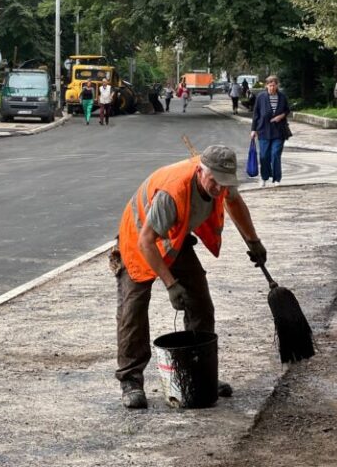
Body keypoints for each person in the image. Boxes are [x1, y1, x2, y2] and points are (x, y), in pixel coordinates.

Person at [114, 145, 267, 409]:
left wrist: (254, 241)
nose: (219, 189)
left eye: (224, 184)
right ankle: (130, 380)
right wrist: (171, 284)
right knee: (134, 308)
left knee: (201, 301)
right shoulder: (172, 193)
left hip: (174, 235)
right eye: (214, 182)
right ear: (200, 171)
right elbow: (147, 242)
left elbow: (234, 202)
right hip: (138, 240)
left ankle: (200, 372)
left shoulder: (221, 179)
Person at [250, 75, 290, 187]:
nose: (272, 88)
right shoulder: (261, 97)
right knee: (264, 156)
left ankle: (277, 179)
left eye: (274, 85)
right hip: (263, 130)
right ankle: (264, 177)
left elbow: (287, 110)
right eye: (270, 85)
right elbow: (256, 114)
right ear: (266, 85)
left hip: (279, 131)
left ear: (277, 85)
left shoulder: (282, 97)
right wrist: (253, 129)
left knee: (275, 154)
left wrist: (281, 116)